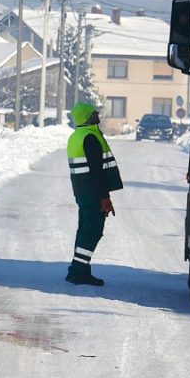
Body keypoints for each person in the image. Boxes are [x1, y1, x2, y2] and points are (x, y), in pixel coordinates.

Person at [65, 102, 123, 286]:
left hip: (83, 191)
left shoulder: (78, 136)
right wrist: (104, 198)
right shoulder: (90, 137)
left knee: (85, 230)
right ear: (87, 116)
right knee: (92, 231)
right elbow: (96, 171)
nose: (97, 113)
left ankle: (78, 269)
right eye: (93, 111)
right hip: (92, 193)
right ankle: (78, 272)